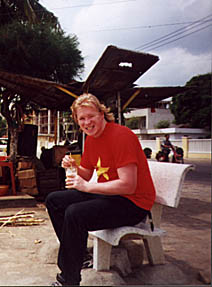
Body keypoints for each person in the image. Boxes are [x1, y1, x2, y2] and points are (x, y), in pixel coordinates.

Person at [45, 93, 156, 286]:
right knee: (54, 200)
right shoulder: (91, 140)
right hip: (112, 195)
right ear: (77, 121)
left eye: (91, 116)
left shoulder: (121, 136)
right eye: (82, 118)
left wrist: (87, 187)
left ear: (101, 114)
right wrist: (71, 166)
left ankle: (68, 279)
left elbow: (128, 185)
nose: (87, 122)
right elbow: (86, 175)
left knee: (75, 213)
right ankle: (79, 257)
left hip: (134, 203)